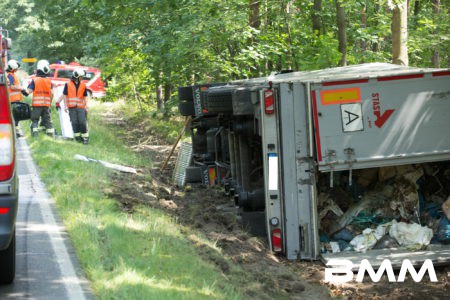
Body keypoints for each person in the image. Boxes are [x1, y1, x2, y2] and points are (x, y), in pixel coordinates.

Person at [57, 68, 89, 144]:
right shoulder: (68, 84)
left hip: (81, 107)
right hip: (71, 107)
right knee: (74, 122)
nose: (82, 78)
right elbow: (64, 95)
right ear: (77, 76)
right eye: (81, 76)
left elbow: (85, 96)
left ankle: (85, 138)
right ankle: (78, 137)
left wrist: (86, 105)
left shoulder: (83, 85)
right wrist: (65, 106)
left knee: (82, 122)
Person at [27, 59, 55, 137]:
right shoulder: (49, 81)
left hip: (37, 105)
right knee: (47, 121)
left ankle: (35, 135)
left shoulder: (35, 80)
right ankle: (50, 136)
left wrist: (22, 91)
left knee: (35, 120)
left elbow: (28, 91)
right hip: (46, 105)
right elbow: (52, 93)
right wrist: (49, 103)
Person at [6, 59, 26, 136]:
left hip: (15, 99)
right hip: (13, 100)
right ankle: (15, 132)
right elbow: (12, 87)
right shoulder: (10, 75)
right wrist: (21, 88)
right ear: (14, 67)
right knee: (16, 116)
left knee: (16, 116)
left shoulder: (11, 75)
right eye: (17, 68)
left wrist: (21, 90)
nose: (17, 69)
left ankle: (15, 132)